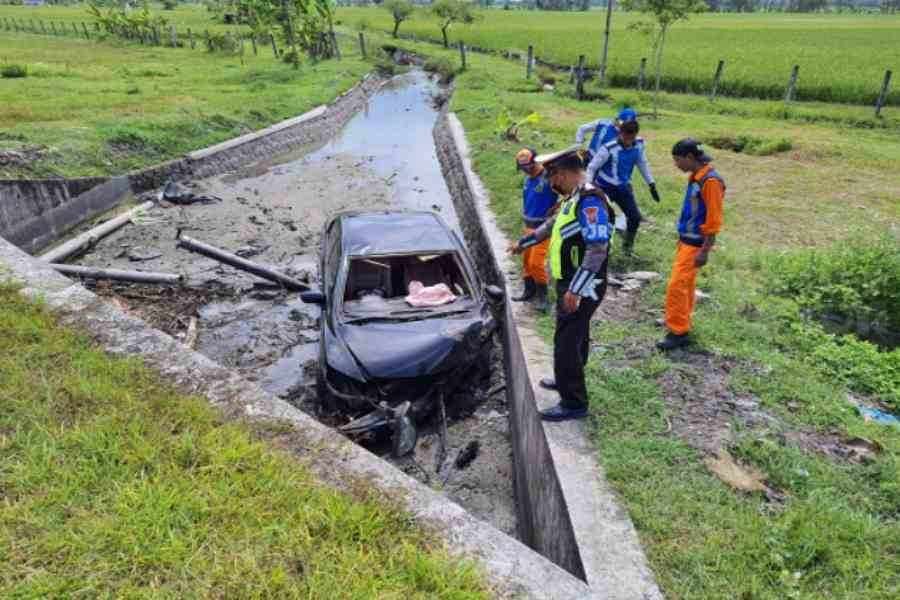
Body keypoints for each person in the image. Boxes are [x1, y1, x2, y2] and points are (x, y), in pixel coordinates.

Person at [509, 147, 615, 421]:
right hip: (573, 280)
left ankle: (574, 402)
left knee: (566, 340)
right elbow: (553, 224)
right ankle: (568, 377)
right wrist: (524, 243)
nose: (551, 183)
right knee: (576, 334)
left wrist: (576, 289)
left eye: (553, 177)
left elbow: (597, 249)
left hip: (583, 283)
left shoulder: (590, 202)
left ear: (566, 173)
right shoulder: (575, 197)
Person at [658, 138, 726, 351]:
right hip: (686, 242)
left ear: (689, 158)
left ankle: (678, 332)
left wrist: (705, 250)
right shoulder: (696, 177)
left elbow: (714, 220)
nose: (676, 164)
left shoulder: (710, 182)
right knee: (684, 286)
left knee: (677, 287)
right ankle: (681, 322)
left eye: (677, 160)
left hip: (695, 245)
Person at [585, 119, 660, 254]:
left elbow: (642, 163)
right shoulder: (608, 148)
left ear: (635, 135)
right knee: (602, 218)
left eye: (630, 138)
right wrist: (589, 186)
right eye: (624, 137)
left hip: (623, 187)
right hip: (604, 186)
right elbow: (591, 167)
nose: (627, 141)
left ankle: (627, 247)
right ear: (620, 133)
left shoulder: (639, 145)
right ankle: (597, 249)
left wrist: (651, 183)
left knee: (635, 217)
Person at [512, 148, 559, 312]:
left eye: (529, 167)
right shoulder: (527, 179)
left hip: (543, 228)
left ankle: (543, 297)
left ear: (536, 162)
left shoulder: (548, 177)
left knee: (536, 263)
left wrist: (557, 206)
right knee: (526, 261)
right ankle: (529, 291)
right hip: (528, 226)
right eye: (523, 168)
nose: (526, 171)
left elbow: (567, 194)